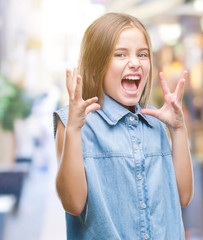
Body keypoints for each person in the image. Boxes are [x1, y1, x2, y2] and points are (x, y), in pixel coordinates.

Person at [53, 12, 194, 239]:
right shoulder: (75, 124)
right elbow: (73, 204)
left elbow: (183, 197)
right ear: (97, 64)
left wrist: (179, 129)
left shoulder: (157, 124)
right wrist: (73, 130)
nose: (135, 63)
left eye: (142, 54)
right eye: (120, 54)